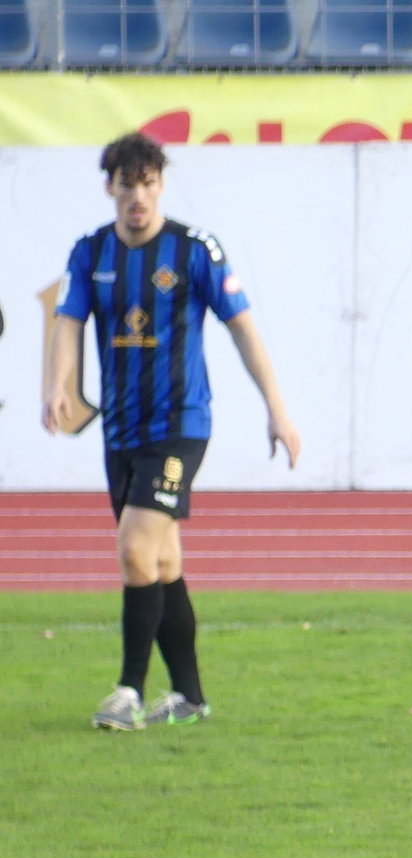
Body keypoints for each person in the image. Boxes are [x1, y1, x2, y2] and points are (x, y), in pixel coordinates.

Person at [43, 131, 301, 730]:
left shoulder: (194, 250)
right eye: (127, 185)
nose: (138, 196)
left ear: (161, 185)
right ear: (109, 187)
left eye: (149, 184)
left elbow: (242, 327)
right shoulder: (90, 253)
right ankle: (189, 698)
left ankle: (128, 693)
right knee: (160, 562)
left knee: (134, 548)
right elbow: (68, 321)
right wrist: (57, 385)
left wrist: (277, 408)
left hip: (181, 426)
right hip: (121, 432)